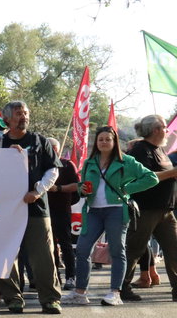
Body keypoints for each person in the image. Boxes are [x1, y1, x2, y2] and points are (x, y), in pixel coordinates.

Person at [61, 126, 158, 306]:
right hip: (94, 211)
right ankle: (80, 292)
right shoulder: (90, 162)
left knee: (117, 251)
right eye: (101, 139)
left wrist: (127, 189)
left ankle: (115, 293)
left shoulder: (126, 161)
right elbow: (83, 185)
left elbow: (151, 178)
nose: (104, 142)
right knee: (82, 249)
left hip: (116, 210)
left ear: (114, 142)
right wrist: (82, 189)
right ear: (96, 143)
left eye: (108, 139)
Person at [0, 101, 63, 314]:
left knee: (43, 257)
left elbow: (52, 170)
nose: (24, 117)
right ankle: (13, 298)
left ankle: (50, 299)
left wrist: (37, 191)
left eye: (26, 113)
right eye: (19, 113)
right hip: (5, 210)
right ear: (8, 119)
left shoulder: (39, 141)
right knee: (7, 255)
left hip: (36, 208)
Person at [120, 115, 177, 302]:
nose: (167, 131)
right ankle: (121, 287)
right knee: (134, 250)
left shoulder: (159, 150)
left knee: (174, 249)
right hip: (146, 210)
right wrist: (172, 173)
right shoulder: (140, 150)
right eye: (164, 127)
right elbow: (147, 177)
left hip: (165, 211)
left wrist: (171, 175)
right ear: (155, 130)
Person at [46, 137, 81, 290]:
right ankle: (54, 277)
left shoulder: (67, 165)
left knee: (66, 244)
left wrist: (58, 189)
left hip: (61, 210)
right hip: (44, 211)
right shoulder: (39, 165)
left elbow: (77, 186)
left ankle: (71, 276)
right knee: (49, 246)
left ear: (56, 149)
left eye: (51, 147)